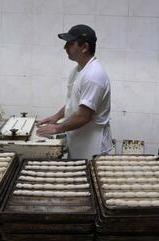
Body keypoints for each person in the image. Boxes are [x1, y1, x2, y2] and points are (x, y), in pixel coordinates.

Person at [36, 24, 112, 160]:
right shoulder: (79, 70)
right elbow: (75, 101)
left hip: (93, 146)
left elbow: (84, 116)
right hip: (79, 141)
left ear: (84, 47)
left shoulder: (93, 75)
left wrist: (57, 128)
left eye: (70, 44)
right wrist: (56, 117)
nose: (65, 47)